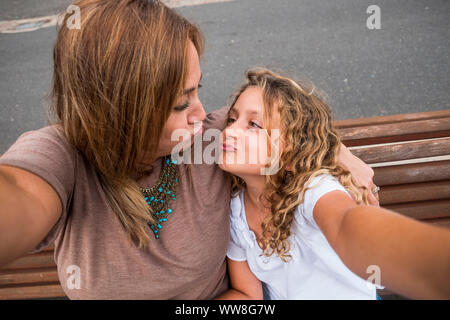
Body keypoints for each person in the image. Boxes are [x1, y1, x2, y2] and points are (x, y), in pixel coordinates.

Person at [0, 1, 377, 299]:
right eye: (181, 103)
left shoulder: (212, 141)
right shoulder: (61, 158)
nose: (203, 114)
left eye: (197, 90)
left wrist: (336, 151)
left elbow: (290, 127)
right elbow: (18, 198)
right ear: (121, 112)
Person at [216, 67, 450, 300]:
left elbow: (344, 224)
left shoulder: (313, 190)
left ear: (289, 155)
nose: (229, 131)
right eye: (232, 119)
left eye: (254, 125)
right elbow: (246, 294)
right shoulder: (237, 210)